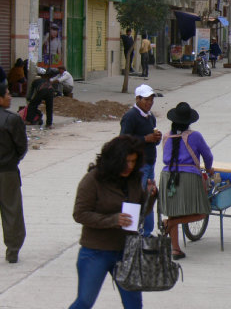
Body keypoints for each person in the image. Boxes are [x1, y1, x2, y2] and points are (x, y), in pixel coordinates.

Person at [70, 135, 158, 308]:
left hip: (127, 251)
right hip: (96, 251)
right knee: (84, 301)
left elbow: (139, 214)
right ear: (114, 160)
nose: (129, 166)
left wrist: (151, 196)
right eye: (126, 161)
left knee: (134, 304)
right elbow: (80, 214)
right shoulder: (93, 179)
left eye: (133, 161)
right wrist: (112, 220)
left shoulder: (133, 179)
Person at [159, 102, 213, 259]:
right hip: (188, 177)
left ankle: (175, 249)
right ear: (189, 122)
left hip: (167, 176)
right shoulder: (195, 136)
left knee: (173, 213)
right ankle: (169, 224)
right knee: (202, 212)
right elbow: (208, 156)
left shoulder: (166, 136)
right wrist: (209, 169)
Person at [120, 84, 162, 237]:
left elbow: (152, 141)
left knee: (149, 198)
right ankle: (130, 232)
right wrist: (145, 139)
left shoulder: (150, 117)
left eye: (151, 100)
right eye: (146, 100)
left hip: (149, 164)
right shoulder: (130, 116)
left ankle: (147, 232)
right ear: (137, 99)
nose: (149, 103)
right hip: (138, 166)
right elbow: (123, 141)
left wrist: (156, 139)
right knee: (135, 198)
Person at [0, 84, 28, 264]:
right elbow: (21, 147)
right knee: (12, 211)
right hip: (7, 172)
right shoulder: (12, 120)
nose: (10, 97)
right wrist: (12, 159)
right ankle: (12, 251)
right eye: (7, 94)